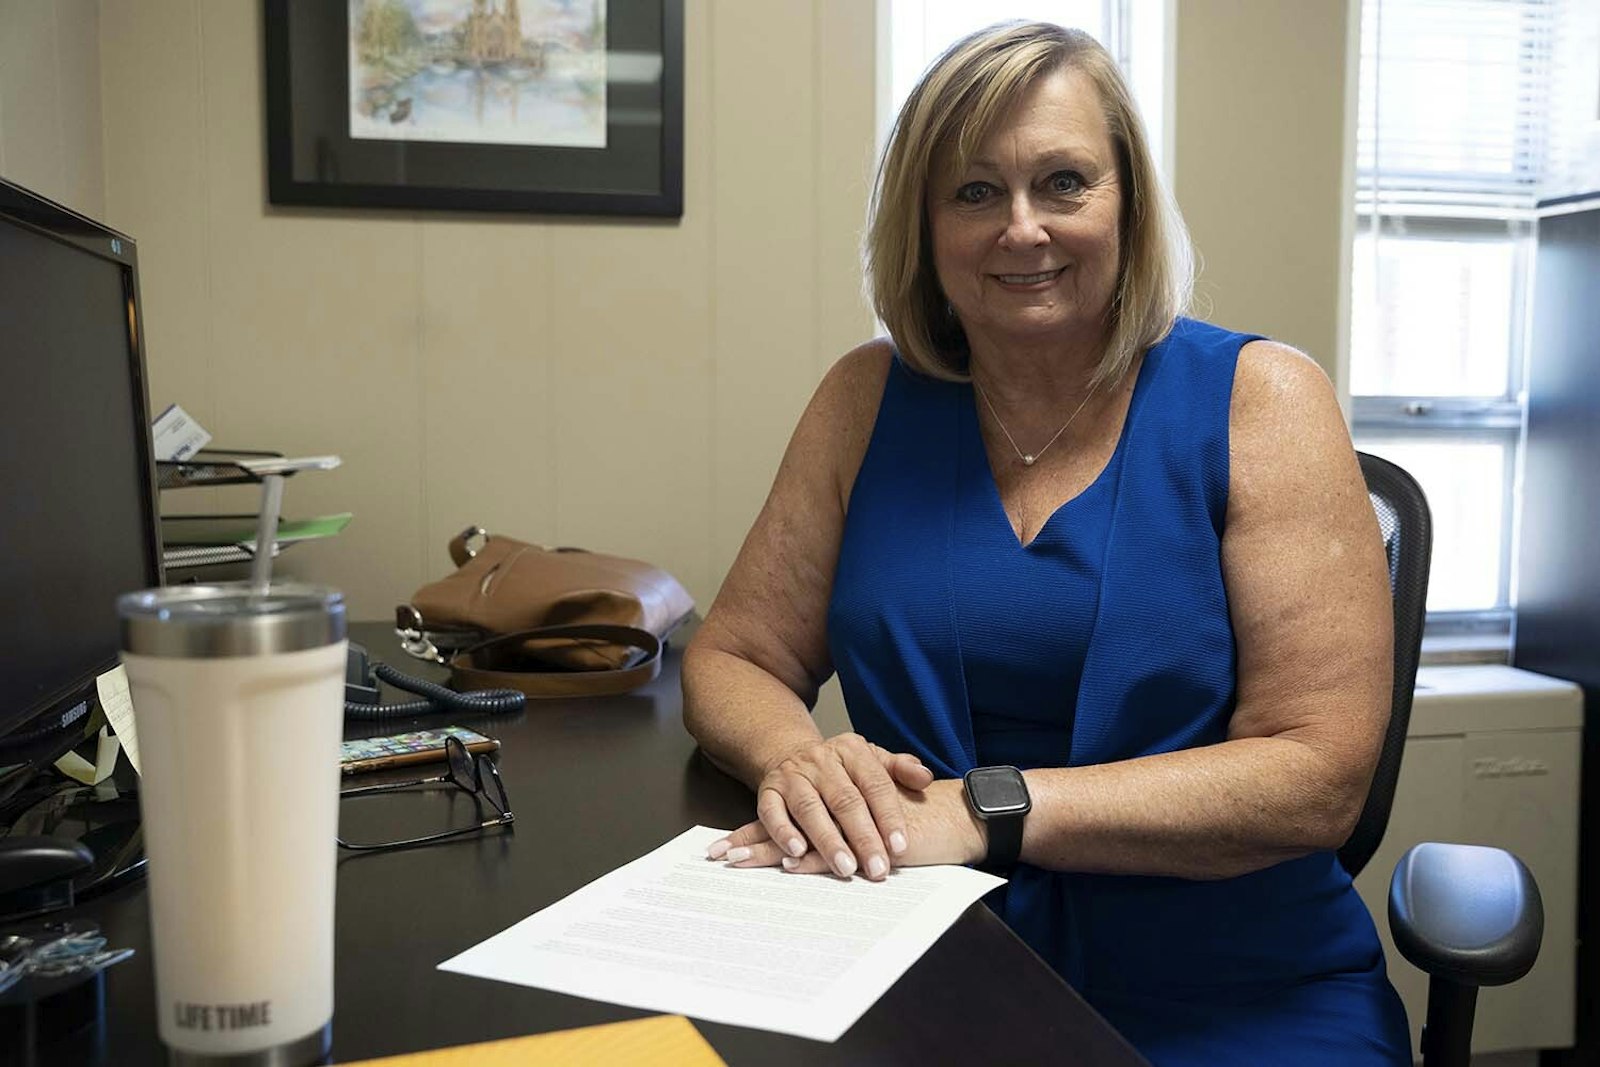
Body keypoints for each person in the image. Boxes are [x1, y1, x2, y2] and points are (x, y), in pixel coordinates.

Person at [681, 20, 1410, 1066]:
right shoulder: (865, 397)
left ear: (1128, 205)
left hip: (1233, 988)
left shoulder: (1263, 399)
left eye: (1063, 182)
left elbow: (1316, 774)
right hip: (922, 956)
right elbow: (735, 652)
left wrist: (988, 809)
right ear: (924, 227)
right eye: (974, 192)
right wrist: (802, 763)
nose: (1021, 228)